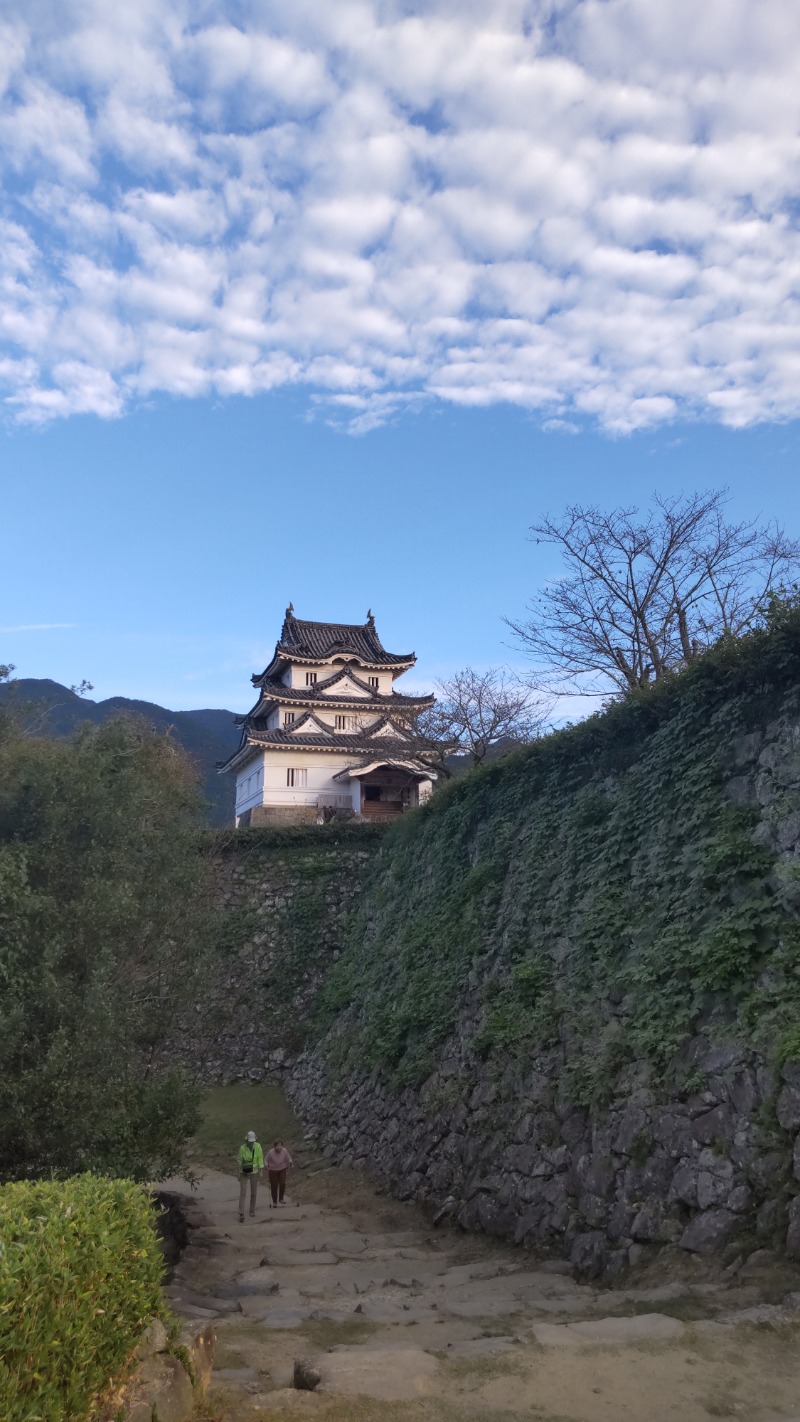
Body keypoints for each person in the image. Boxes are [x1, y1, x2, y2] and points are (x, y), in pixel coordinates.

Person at [237, 1130, 264, 1222]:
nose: (251, 1143)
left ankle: (252, 1210)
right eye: (250, 1141)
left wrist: (261, 1171)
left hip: (254, 1171)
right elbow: (239, 1161)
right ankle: (241, 1212)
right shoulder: (242, 1148)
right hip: (244, 1172)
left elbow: (260, 1158)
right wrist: (239, 1173)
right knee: (243, 1191)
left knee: (253, 1192)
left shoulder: (258, 1146)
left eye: (252, 1141)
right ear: (247, 1140)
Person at [266, 1138, 294, 1207]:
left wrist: (290, 1162)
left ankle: (281, 1198)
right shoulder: (271, 1152)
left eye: (280, 1145)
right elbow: (266, 1160)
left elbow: (289, 1158)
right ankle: (275, 1202)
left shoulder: (284, 1151)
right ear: (275, 1146)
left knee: (282, 1183)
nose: (279, 1147)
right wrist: (266, 1165)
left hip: (282, 1169)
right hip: (273, 1170)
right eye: (277, 1146)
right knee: (274, 1186)